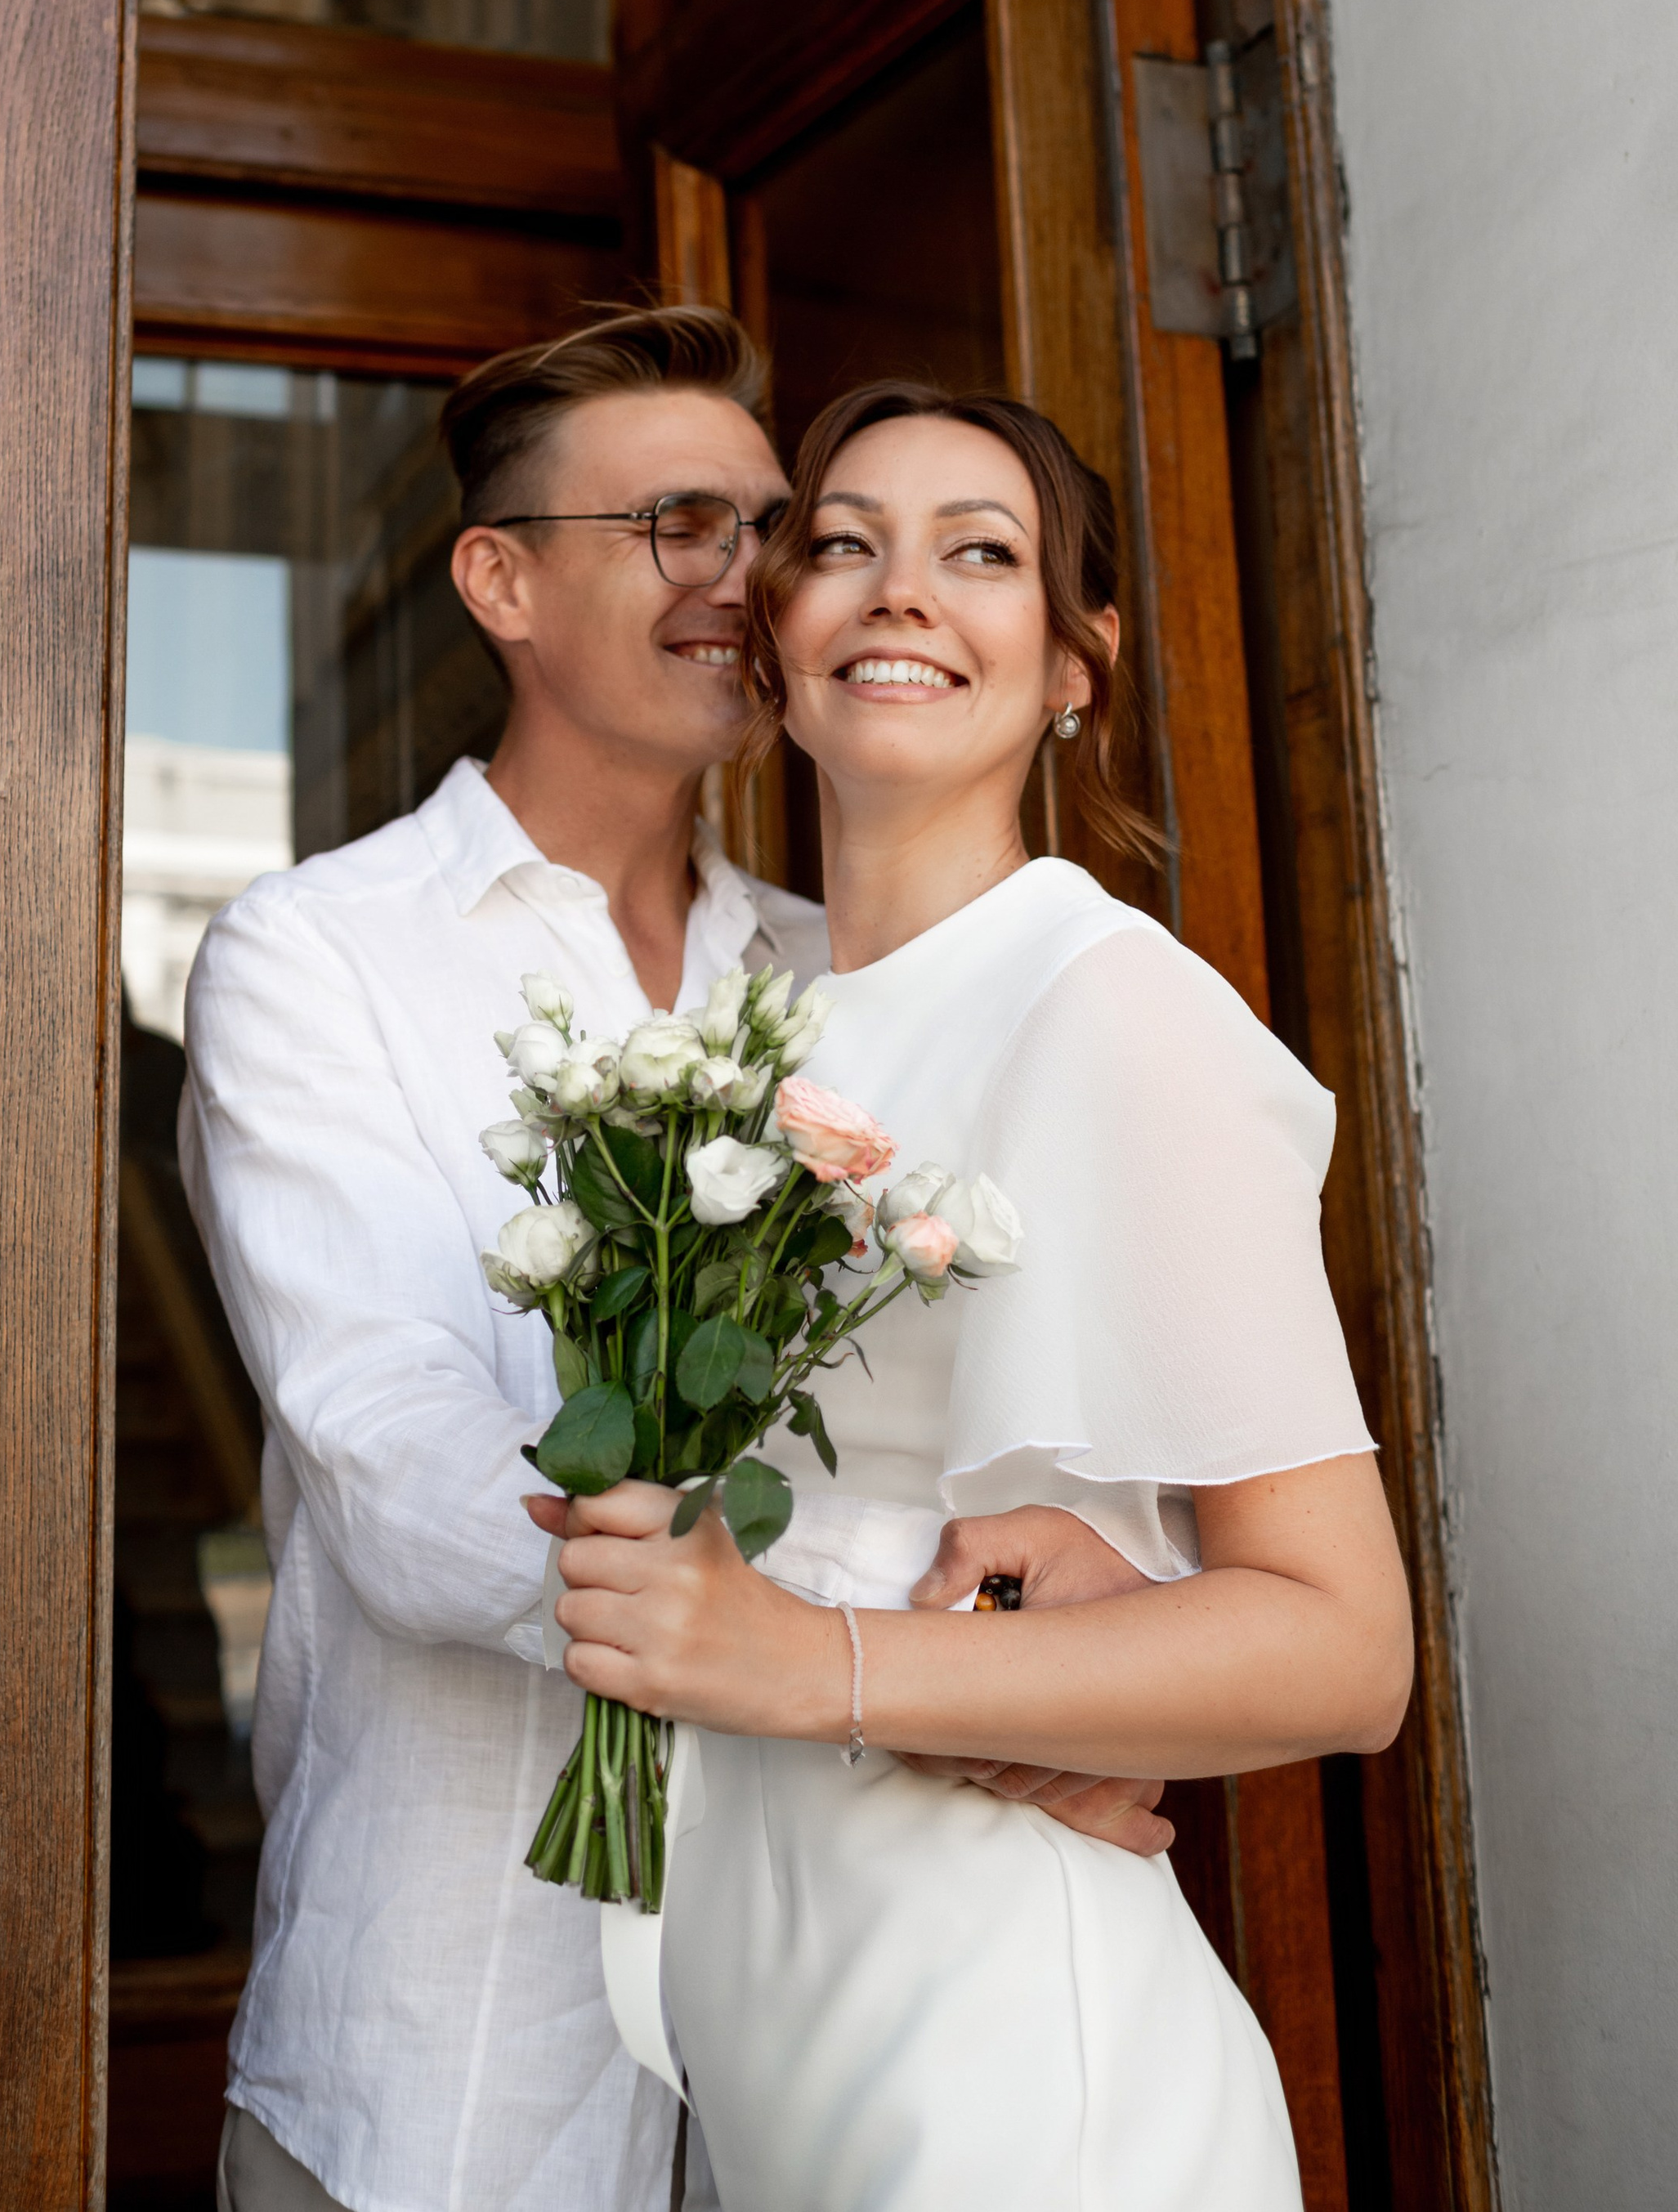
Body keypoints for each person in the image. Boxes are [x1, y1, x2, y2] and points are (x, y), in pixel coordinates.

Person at [179, 315, 1170, 2212]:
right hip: (451, 2066)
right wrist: (952, 1665)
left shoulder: (838, 977)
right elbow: (408, 1479)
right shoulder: (317, 959)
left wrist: (1060, 1659)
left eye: (769, 529)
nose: (745, 578)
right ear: (502, 583)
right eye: (678, 526)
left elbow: (1009, 1437)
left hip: (837, 2028)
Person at [540, 383, 1413, 2212]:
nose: (901, 591)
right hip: (780, 2023)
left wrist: (833, 1663)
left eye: (981, 553)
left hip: (1007, 2060)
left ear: (1076, 662)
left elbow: (1345, 1649)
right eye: (842, 545)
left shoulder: (1109, 1001)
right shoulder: (747, 1049)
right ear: (775, 640)